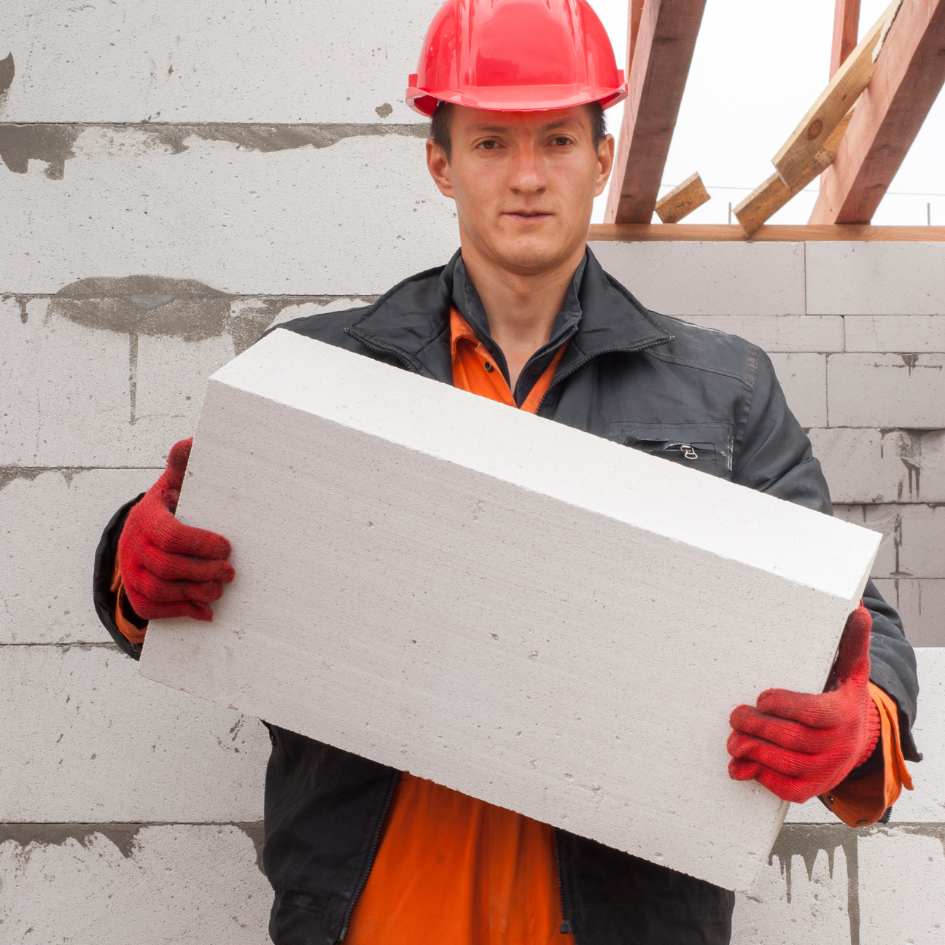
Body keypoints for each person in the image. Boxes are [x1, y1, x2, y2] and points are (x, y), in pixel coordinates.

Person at [91, 1, 920, 942]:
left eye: (557, 140)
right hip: (370, 918)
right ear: (440, 161)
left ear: (601, 158)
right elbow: (179, 543)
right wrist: (134, 558)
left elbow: (857, 619)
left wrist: (859, 726)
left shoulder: (722, 392)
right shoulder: (319, 374)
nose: (527, 176)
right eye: (490, 143)